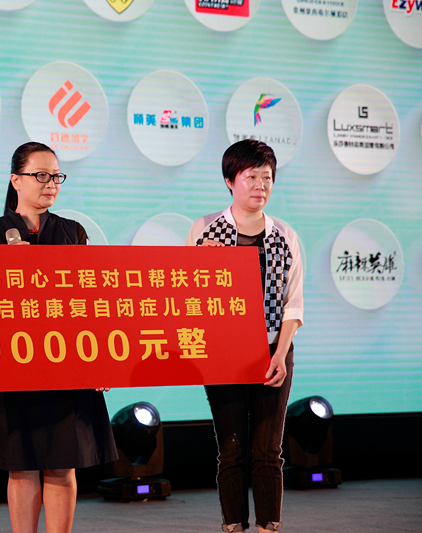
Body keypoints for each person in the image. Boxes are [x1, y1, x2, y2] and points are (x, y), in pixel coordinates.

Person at [0, 142, 118, 533]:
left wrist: (100, 359)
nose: (51, 183)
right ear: (16, 180)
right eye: (41, 175)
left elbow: (90, 300)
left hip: (66, 364)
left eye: (56, 176)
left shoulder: (72, 232)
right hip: (11, 365)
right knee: (21, 467)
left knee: (62, 465)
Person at [185, 139, 304, 533]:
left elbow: (293, 305)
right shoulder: (204, 230)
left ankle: (269, 526)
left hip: (272, 350)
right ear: (229, 181)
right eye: (250, 177)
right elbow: (186, 295)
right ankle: (234, 525)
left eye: (266, 177)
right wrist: (200, 264)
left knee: (268, 450)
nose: (260, 185)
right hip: (223, 352)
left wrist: (280, 355)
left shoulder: (285, 235)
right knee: (232, 449)